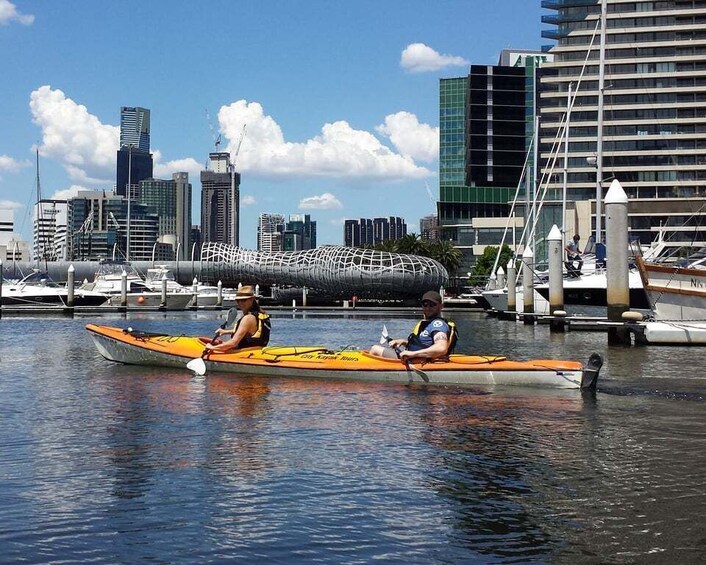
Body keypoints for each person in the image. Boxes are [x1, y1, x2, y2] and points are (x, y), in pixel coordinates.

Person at [369, 290, 457, 362]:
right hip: (415, 358)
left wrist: (412, 354)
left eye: (432, 305)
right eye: (425, 305)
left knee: (374, 349)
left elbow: (441, 348)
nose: (428, 308)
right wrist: (404, 342)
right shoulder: (429, 324)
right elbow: (425, 345)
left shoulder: (438, 325)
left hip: (417, 360)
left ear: (441, 306)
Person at [205, 285, 271, 352]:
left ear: (252, 300)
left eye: (243, 300)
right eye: (238, 300)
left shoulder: (248, 318)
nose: (240, 303)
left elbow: (233, 343)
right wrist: (225, 332)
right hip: (258, 350)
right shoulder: (261, 314)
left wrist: (211, 348)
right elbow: (248, 331)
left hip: (245, 353)